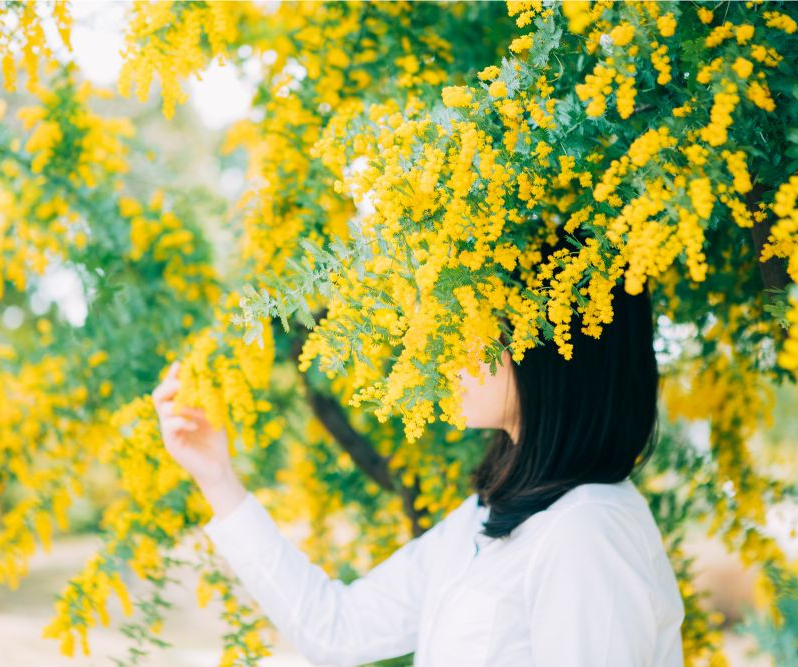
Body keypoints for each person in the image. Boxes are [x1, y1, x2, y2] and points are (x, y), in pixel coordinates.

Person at [152, 240, 685, 666]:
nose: (444, 348)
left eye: (474, 323)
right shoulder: (489, 518)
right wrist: (217, 478)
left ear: (553, 345)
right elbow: (336, 630)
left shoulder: (586, 531)